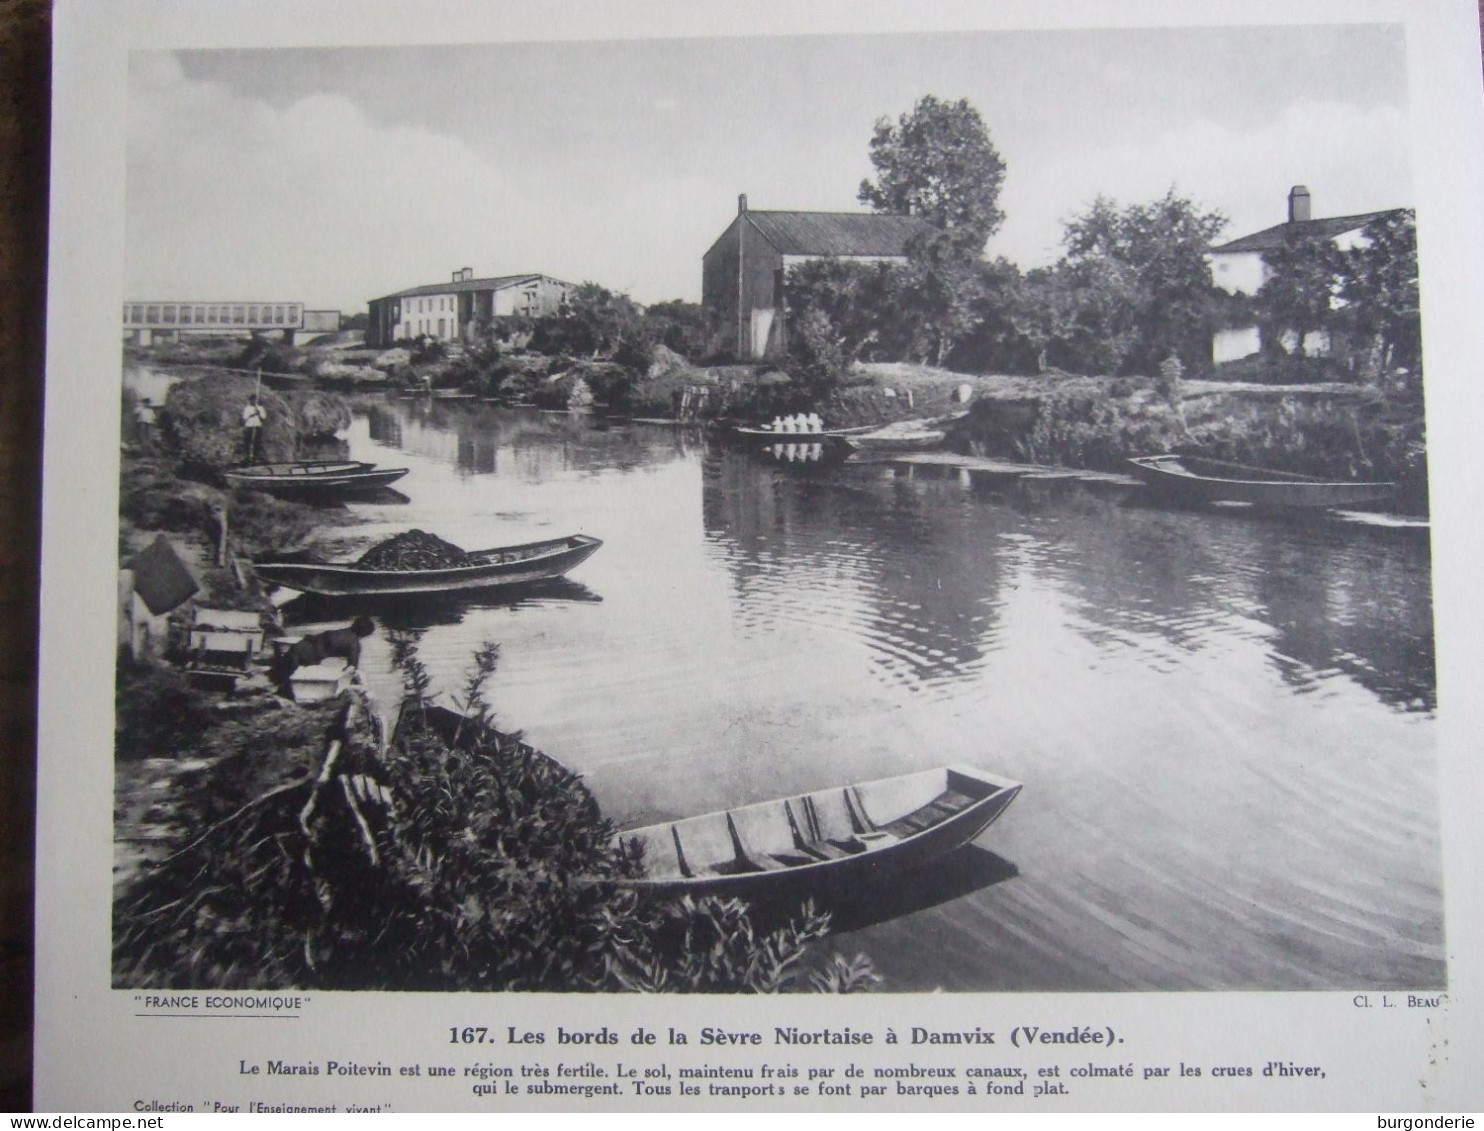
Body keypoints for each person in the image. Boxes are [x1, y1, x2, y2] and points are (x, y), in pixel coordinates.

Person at [241, 393, 267, 463]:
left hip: (257, 426)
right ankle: (248, 456)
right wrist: (253, 414)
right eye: (252, 400)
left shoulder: (260, 408)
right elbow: (245, 418)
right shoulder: (247, 408)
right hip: (249, 427)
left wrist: (258, 414)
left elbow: (263, 418)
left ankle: (256, 457)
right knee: (248, 442)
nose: (253, 402)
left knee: (257, 442)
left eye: (255, 400)